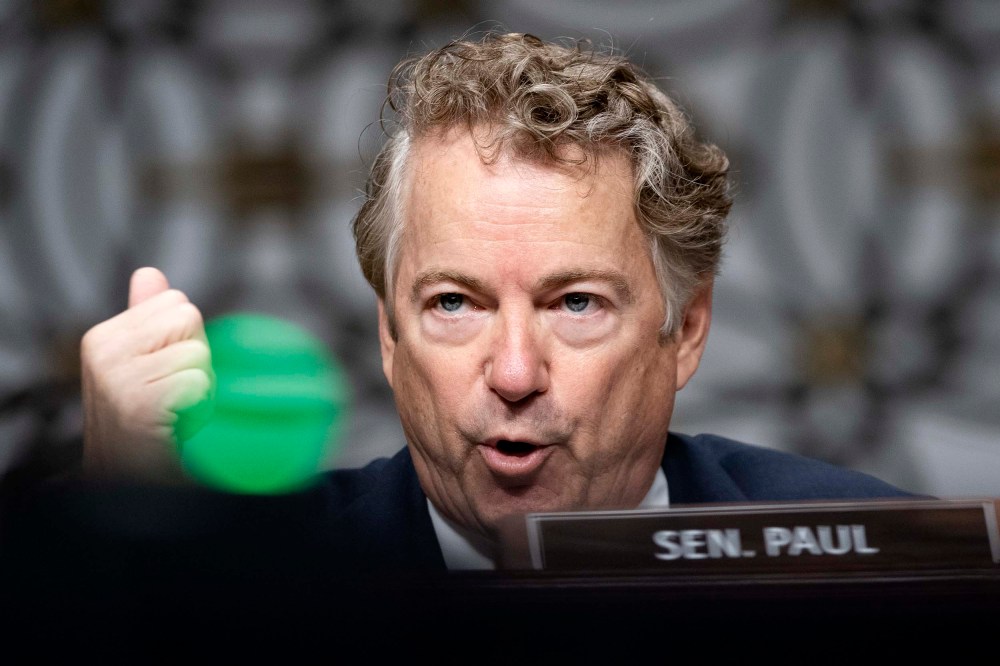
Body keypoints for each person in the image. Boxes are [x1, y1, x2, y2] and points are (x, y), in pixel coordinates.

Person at [79, 32, 910, 572]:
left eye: (576, 304)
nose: (514, 374)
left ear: (685, 330)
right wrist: (119, 530)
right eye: (454, 304)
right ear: (389, 336)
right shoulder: (256, 579)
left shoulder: (875, 560)